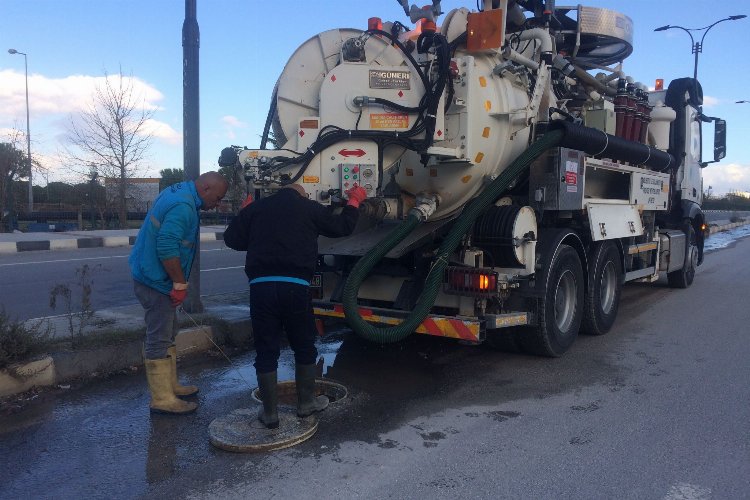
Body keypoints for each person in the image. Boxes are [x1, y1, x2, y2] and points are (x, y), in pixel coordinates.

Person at [224, 183, 366, 428]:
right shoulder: (309, 208)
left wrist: (243, 215)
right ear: (302, 194)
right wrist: (354, 201)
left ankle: (269, 413)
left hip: (261, 289)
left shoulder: (257, 208)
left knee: (266, 349)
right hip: (295, 287)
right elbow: (342, 226)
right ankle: (306, 404)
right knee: (303, 345)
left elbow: (232, 240)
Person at [130, 171, 229, 415]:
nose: (217, 205)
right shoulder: (184, 206)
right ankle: (162, 399)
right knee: (159, 336)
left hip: (151, 273)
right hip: (155, 280)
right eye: (217, 198)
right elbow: (166, 246)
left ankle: (170, 385)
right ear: (206, 188)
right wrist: (179, 284)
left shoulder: (179, 190)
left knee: (169, 331)